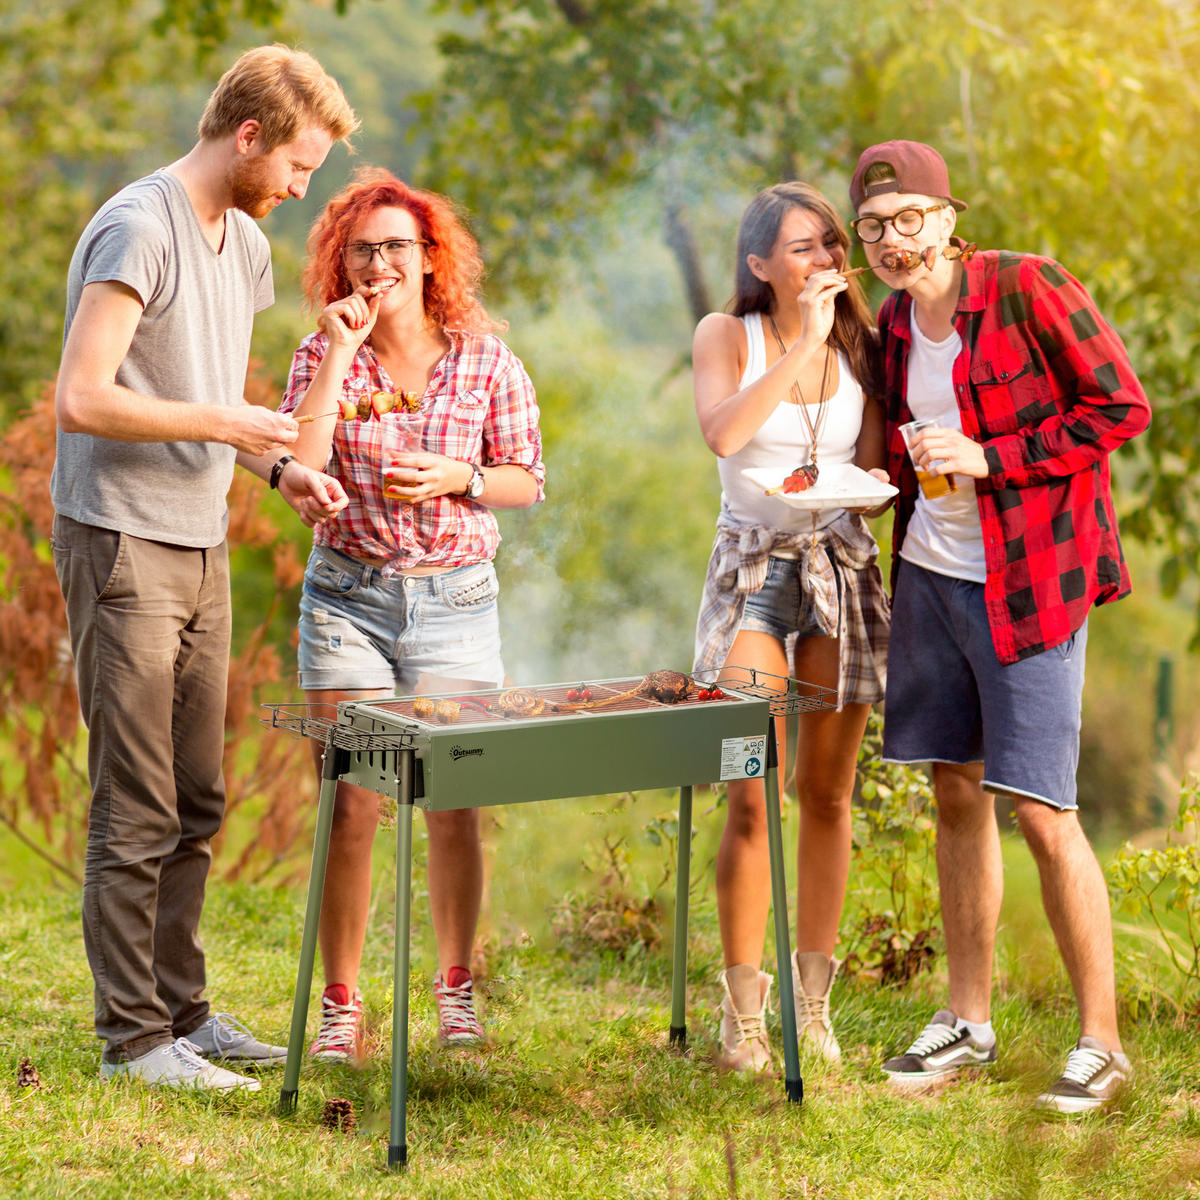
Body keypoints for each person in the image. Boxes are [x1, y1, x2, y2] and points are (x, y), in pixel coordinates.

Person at [51, 45, 358, 1092]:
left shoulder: (245, 245)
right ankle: (133, 1041)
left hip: (199, 535)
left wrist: (274, 468)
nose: (299, 188)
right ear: (248, 135)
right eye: (298, 167)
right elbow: (84, 397)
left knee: (196, 794)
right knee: (134, 797)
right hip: (121, 533)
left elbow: (209, 394)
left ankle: (184, 1014)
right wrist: (226, 419)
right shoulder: (142, 226)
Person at [849, 140, 1150, 1112]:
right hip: (933, 577)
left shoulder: (1027, 289)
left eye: (907, 221)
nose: (893, 243)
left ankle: (1101, 1044)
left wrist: (995, 456)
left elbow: (1119, 408)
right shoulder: (895, 326)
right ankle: (967, 1022)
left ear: (947, 215)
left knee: (1041, 812)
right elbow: (903, 455)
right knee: (956, 793)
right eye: (873, 231)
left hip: (1032, 585)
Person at [278, 168, 544, 1061]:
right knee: (352, 801)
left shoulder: (485, 358)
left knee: (454, 800)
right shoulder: (322, 353)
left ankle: (456, 989)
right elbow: (299, 464)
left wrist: (458, 477)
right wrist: (342, 354)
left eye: (397, 246)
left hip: (456, 601)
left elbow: (524, 478)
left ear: (430, 258)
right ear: (341, 261)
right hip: (347, 596)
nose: (380, 262)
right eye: (364, 249)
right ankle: (342, 1005)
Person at [691, 182, 890, 1071]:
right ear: (760, 263)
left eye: (829, 246)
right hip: (752, 574)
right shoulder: (726, 335)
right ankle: (742, 1012)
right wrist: (801, 340)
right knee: (749, 786)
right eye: (802, 249)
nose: (823, 263)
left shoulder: (863, 344)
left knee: (828, 792)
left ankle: (812, 1007)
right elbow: (726, 437)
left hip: (841, 565)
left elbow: (874, 469)